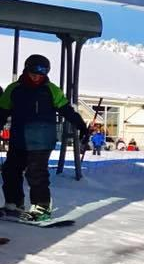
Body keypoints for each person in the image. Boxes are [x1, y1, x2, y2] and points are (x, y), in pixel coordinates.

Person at [0, 55, 89, 221]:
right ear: (26, 69)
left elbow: (67, 110)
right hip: (19, 138)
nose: (37, 77)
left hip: (42, 139)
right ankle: (13, 203)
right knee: (10, 170)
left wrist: (81, 126)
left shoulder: (51, 89)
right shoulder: (14, 89)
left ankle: (41, 206)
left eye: (41, 74)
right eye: (34, 73)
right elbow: (2, 112)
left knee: (36, 172)